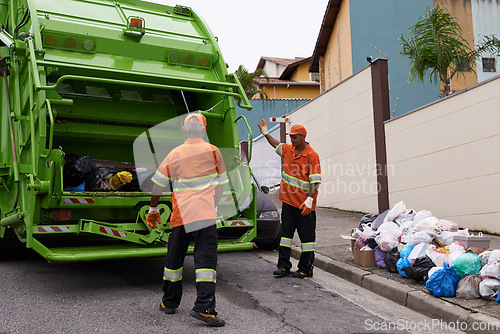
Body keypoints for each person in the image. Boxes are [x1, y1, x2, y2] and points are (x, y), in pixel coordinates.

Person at [146, 112, 228, 327]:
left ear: (184, 130)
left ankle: (169, 303)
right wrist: (215, 203)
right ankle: (204, 307)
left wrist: (153, 208)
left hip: (181, 215)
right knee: (205, 262)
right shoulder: (213, 151)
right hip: (205, 213)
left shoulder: (175, 153)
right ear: (204, 130)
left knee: (174, 259)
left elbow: (158, 184)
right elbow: (221, 185)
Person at [258, 119, 321, 278]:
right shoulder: (288, 150)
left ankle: (305, 269)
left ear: (303, 137)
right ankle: (284, 266)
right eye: (291, 137)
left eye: (295, 137)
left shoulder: (312, 155)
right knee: (285, 236)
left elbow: (315, 181)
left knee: (307, 240)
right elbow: (276, 144)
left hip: (304, 206)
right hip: (288, 203)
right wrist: (266, 134)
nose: (291, 140)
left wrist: (309, 201)